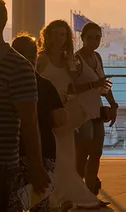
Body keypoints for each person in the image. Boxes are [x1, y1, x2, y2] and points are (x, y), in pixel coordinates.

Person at [35, 19, 105, 209]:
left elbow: (72, 85)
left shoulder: (69, 60)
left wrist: (72, 67)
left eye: (63, 34)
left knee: (66, 158)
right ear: (47, 37)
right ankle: (54, 197)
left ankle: (67, 196)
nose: (60, 38)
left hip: (65, 110)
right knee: (53, 156)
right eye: (56, 34)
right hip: (47, 111)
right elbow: (35, 84)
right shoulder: (42, 59)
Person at [2, 7, 51, 212]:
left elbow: (30, 123)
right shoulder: (18, 66)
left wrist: (36, 167)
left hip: (3, 168)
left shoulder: (18, 67)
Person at [75, 22, 117, 196]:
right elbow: (71, 88)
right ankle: (80, 191)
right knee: (83, 152)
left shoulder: (97, 57)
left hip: (96, 110)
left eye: (97, 37)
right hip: (81, 111)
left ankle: (90, 192)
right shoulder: (76, 59)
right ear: (82, 38)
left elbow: (103, 84)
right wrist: (95, 84)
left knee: (96, 153)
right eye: (90, 37)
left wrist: (113, 103)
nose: (94, 41)